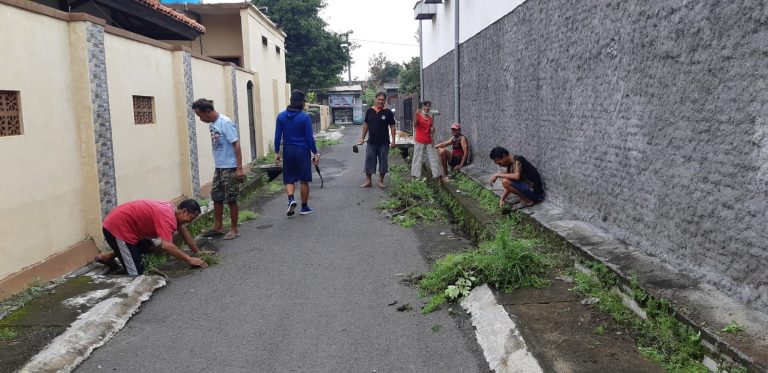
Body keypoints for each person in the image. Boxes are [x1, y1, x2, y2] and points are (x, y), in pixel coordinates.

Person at [94, 199, 208, 275]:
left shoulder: (174, 212)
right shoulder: (168, 217)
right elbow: (167, 245)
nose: (189, 222)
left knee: (149, 247)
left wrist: (197, 252)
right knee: (136, 274)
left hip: (129, 230)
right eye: (191, 218)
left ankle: (108, 256)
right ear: (184, 211)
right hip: (117, 228)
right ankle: (122, 257)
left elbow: (183, 232)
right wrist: (189, 259)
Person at [192, 98, 244, 240]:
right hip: (219, 167)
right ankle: (218, 226)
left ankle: (234, 229)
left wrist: (239, 168)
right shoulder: (212, 124)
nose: (200, 118)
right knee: (217, 197)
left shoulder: (225, 122)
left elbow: (237, 145)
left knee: (231, 198)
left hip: (230, 167)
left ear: (207, 111)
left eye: (200, 115)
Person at [274, 90, 319, 216]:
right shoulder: (304, 117)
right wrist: (315, 153)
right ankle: (304, 208)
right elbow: (309, 138)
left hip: (287, 150)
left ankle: (291, 199)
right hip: (302, 150)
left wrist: (276, 152)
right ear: (300, 103)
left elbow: (278, 136)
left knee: (289, 178)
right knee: (304, 180)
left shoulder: (281, 116)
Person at [356, 92, 396, 188]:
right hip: (371, 142)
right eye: (379, 99)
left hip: (384, 143)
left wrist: (394, 141)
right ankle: (368, 181)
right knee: (369, 161)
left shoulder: (388, 112)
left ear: (385, 101)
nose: (381, 101)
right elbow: (366, 125)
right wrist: (362, 138)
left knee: (383, 162)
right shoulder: (370, 111)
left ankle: (381, 181)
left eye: (383, 100)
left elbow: (392, 127)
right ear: (375, 99)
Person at [411, 101, 446, 182]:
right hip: (419, 140)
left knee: (434, 158)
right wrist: (416, 115)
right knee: (417, 158)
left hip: (428, 140)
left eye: (429, 106)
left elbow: (431, 130)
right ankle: (415, 176)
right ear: (423, 106)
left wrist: (433, 130)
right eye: (426, 106)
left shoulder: (430, 118)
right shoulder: (419, 115)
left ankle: (438, 175)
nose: (427, 108)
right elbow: (415, 125)